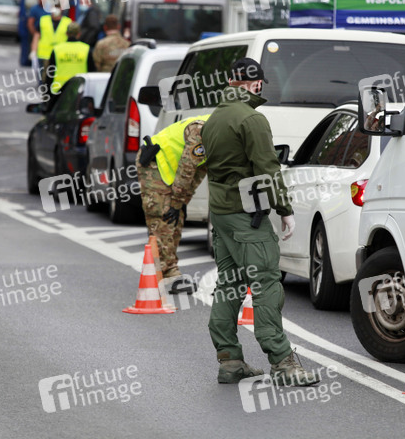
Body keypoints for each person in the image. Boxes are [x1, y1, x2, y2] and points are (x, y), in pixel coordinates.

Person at [201, 57, 319, 387]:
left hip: (221, 215)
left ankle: (230, 361)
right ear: (255, 83)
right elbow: (268, 169)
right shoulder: (252, 119)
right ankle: (283, 362)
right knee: (266, 283)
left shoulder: (213, 119)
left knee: (230, 284)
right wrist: (284, 209)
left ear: (230, 81)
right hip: (247, 218)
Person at [136, 114, 210, 293]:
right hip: (155, 164)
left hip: (170, 170)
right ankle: (165, 274)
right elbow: (187, 168)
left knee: (176, 217)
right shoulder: (201, 131)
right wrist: (177, 201)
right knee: (162, 217)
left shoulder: (221, 134)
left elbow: (200, 170)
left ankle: (166, 271)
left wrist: (182, 200)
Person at [31, 5, 72, 89]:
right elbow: (36, 36)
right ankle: (44, 89)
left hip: (60, 54)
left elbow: (70, 38)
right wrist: (33, 51)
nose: (56, 10)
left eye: (58, 7)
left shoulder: (68, 22)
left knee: (55, 75)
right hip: (44, 54)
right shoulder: (43, 20)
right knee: (43, 77)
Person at [45, 21, 90, 97]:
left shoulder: (57, 49)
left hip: (58, 91)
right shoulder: (86, 49)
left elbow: (50, 73)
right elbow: (91, 72)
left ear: (66, 33)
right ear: (79, 34)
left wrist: (47, 94)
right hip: (80, 90)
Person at [24, 0, 50, 67]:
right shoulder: (34, 9)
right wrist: (34, 33)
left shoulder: (49, 8)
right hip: (38, 31)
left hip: (48, 33)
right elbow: (30, 23)